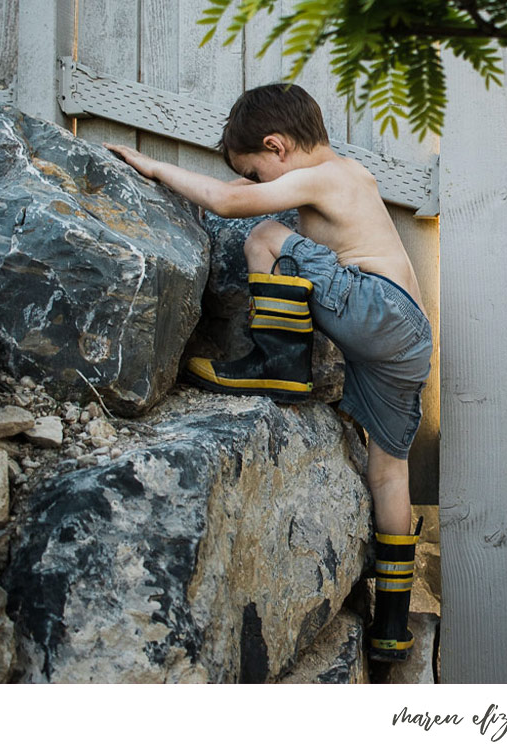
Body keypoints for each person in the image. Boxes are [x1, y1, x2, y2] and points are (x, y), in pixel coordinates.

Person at [105, 83, 429, 663]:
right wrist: (226, 181)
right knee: (388, 472)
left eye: (257, 173)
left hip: (376, 309)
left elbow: (230, 205)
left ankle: (277, 364)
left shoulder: (323, 178)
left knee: (265, 236)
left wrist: (152, 166)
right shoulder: (349, 174)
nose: (256, 186)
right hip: (407, 335)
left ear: (277, 146)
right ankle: (392, 626)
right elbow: (232, 189)